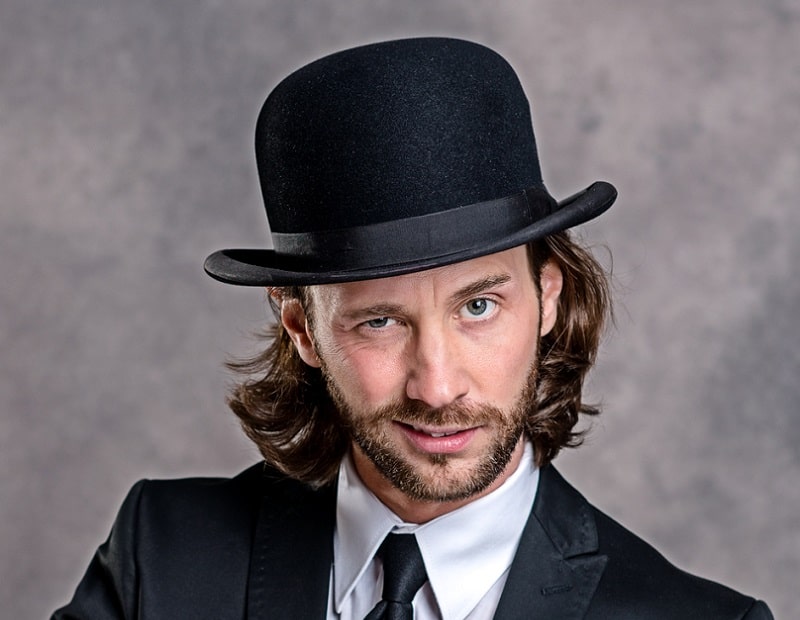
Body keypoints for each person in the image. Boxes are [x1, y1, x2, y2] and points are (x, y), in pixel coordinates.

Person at [53, 37, 772, 619]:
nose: (437, 385)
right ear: (301, 328)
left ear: (547, 297)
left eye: (478, 307)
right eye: (379, 320)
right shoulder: (163, 557)